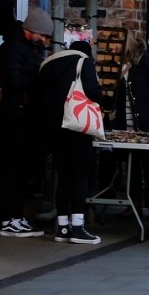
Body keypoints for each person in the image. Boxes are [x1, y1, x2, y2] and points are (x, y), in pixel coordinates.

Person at [33, 25, 104, 245]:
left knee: (63, 176)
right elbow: (92, 91)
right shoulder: (84, 62)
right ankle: (78, 226)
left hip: (52, 127)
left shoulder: (48, 64)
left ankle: (62, 227)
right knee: (80, 176)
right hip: (76, 126)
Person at [0, 9, 55, 238]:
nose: (44, 40)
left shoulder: (23, 47)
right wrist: (41, 75)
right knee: (14, 169)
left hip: (21, 113)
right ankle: (10, 218)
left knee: (19, 169)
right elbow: (14, 81)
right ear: (32, 30)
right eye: (42, 35)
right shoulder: (13, 48)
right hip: (16, 114)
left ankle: (15, 217)